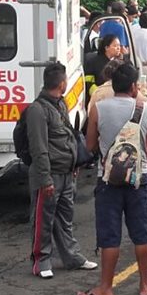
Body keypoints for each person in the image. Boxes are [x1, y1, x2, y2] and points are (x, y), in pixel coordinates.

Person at [78, 64, 147, 295]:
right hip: (139, 179)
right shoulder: (145, 109)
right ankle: (145, 285)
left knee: (110, 235)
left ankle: (105, 288)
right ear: (134, 86)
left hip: (108, 180)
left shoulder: (98, 108)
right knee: (141, 234)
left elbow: (89, 145)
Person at [26, 62, 97, 278]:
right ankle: (41, 260)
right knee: (43, 219)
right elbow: (39, 148)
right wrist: (45, 179)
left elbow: (67, 136)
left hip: (66, 173)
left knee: (65, 217)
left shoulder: (60, 104)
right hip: (50, 175)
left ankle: (71, 256)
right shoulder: (37, 110)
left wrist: (74, 164)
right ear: (62, 83)